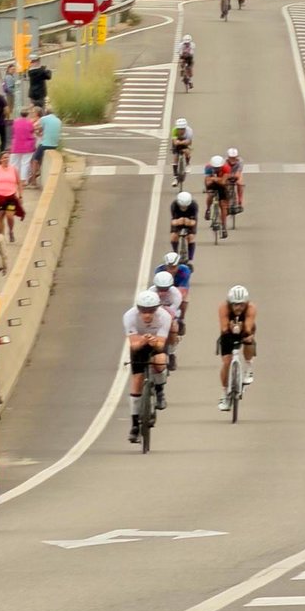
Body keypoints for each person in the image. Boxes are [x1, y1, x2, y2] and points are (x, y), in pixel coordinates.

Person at [124, 290, 171, 443]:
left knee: (160, 361)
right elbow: (134, 345)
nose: (147, 315)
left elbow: (161, 344)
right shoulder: (129, 316)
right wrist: (144, 341)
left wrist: (153, 341)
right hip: (139, 345)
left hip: (156, 343)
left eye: (151, 311)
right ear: (138, 309)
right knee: (137, 380)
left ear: (157, 309)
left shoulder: (165, 317)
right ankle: (134, 426)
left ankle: (159, 391)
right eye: (143, 311)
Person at [218, 285, 257, 409]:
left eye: (241, 305)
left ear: (246, 304)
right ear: (230, 304)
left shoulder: (251, 308)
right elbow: (224, 328)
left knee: (249, 339)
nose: (238, 308)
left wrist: (245, 332)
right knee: (226, 362)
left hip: (245, 328)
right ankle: (224, 394)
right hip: (228, 332)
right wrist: (230, 327)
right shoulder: (223, 308)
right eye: (235, 304)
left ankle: (248, 368)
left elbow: (248, 327)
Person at [0, 150, 25, 242]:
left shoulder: (14, 169)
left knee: (10, 216)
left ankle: (11, 231)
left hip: (10, 197)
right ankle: (1, 236)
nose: (6, 159)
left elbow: (19, 183)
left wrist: (20, 195)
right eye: (4, 157)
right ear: (0, 159)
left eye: (7, 157)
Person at [27, 106, 62, 189]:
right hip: (55, 144)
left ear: (46, 113)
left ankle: (33, 181)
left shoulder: (44, 119)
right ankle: (39, 174)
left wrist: (34, 130)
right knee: (41, 159)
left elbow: (38, 129)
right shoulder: (58, 120)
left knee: (34, 160)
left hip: (45, 144)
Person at [204, 154, 231, 235]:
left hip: (222, 186)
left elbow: (223, 182)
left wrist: (214, 179)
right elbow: (208, 182)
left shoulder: (226, 168)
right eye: (215, 168)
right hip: (212, 185)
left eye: (218, 168)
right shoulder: (208, 167)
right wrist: (217, 179)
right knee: (210, 195)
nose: (216, 169)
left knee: (223, 205)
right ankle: (208, 209)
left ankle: (224, 227)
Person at [170, 189, 198, 263]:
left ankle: (190, 257)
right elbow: (173, 221)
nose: (184, 208)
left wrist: (188, 222)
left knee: (191, 237)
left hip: (189, 220)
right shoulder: (174, 205)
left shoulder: (193, 206)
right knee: (173, 236)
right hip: (178, 220)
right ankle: (175, 253)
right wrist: (178, 221)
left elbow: (193, 222)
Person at [11, 107, 37, 183]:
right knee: (25, 163)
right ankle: (23, 180)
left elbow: (14, 131)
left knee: (14, 163)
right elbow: (32, 131)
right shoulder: (29, 122)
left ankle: (14, 179)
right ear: (27, 114)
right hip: (27, 145)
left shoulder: (15, 122)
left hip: (16, 145)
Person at [171, 116, 194, 187]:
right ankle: (175, 177)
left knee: (187, 152)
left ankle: (188, 164)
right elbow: (174, 142)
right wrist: (181, 142)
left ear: (185, 128)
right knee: (175, 158)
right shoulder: (174, 130)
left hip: (185, 142)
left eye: (182, 129)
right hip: (180, 142)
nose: (181, 131)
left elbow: (189, 142)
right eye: (179, 129)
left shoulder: (189, 131)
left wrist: (181, 143)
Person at [224, 147, 245, 211]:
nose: (233, 159)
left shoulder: (240, 161)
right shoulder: (224, 162)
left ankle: (240, 200)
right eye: (231, 157)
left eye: (234, 157)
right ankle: (226, 201)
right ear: (228, 157)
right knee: (225, 184)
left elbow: (238, 174)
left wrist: (235, 177)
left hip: (236, 173)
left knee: (240, 183)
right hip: (227, 173)